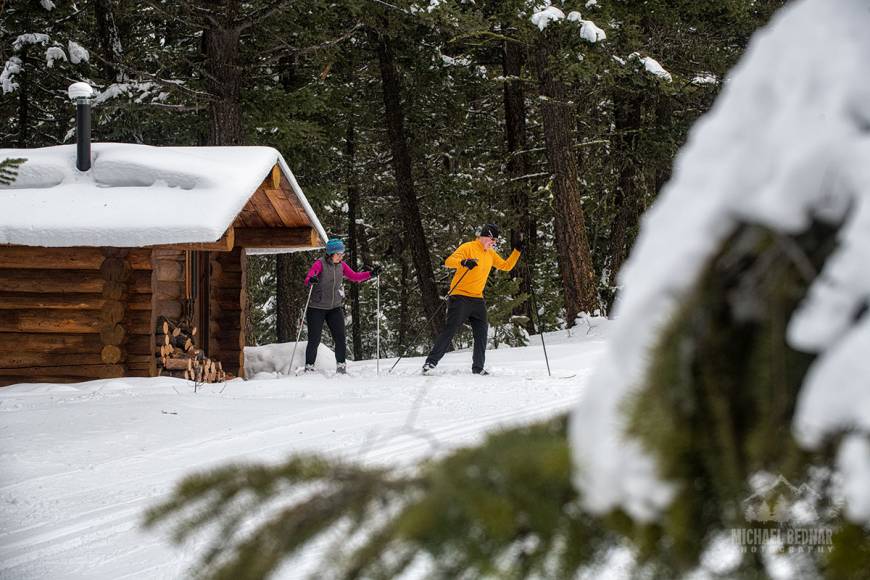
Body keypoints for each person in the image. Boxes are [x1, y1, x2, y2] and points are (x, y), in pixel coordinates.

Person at [422, 224, 524, 375]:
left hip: (477, 299)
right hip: (460, 296)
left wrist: (517, 251)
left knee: (482, 333)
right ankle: (430, 362)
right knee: (450, 330)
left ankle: (478, 367)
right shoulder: (468, 247)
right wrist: (464, 262)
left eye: (495, 240)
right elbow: (449, 261)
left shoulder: (490, 253)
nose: (494, 242)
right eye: (493, 239)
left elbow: (506, 266)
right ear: (485, 236)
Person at [303, 238, 380, 374]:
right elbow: (308, 278)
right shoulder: (319, 264)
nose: (341, 256)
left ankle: (341, 366)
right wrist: (311, 280)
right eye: (338, 254)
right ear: (330, 253)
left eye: (342, 254)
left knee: (340, 338)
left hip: (334, 307)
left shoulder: (342, 266)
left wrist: (370, 274)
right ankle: (309, 367)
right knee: (314, 339)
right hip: (317, 308)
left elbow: (355, 276)